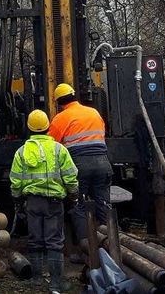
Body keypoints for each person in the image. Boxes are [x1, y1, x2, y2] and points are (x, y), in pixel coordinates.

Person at [12, 109, 78, 293]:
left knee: (35, 240)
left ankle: (36, 280)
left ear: (29, 128)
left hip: (32, 202)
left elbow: (16, 180)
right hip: (54, 202)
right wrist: (74, 195)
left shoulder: (22, 151)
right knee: (54, 241)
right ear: (48, 127)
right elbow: (70, 176)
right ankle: (56, 284)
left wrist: (17, 200)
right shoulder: (59, 149)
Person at [48, 83, 113, 240]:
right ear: (74, 95)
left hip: (80, 166)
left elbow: (50, 144)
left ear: (58, 102)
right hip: (103, 163)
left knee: (79, 206)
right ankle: (110, 243)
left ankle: (85, 248)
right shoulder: (94, 113)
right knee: (103, 204)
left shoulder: (61, 118)